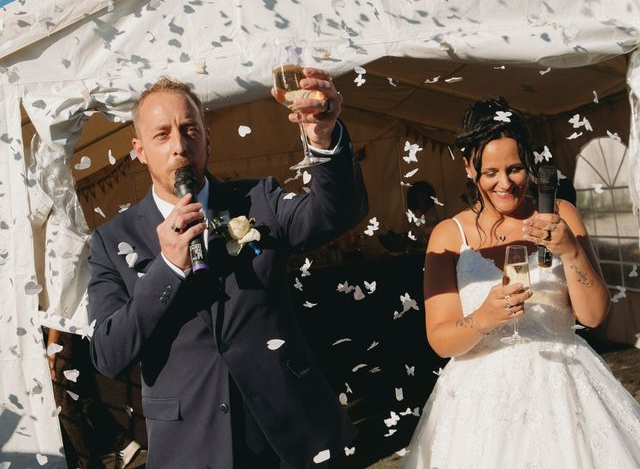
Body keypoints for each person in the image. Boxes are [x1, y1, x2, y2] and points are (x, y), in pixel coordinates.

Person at [87, 71, 368, 468]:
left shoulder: (258, 199)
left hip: (292, 429)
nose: (180, 146)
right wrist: (167, 268)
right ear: (139, 150)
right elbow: (107, 354)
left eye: (189, 130)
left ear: (207, 137)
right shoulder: (111, 240)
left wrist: (323, 138)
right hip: (191, 443)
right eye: (162, 135)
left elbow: (337, 214)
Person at [402, 96, 640, 468]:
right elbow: (441, 339)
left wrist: (571, 252)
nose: (505, 183)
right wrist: (483, 318)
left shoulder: (561, 214)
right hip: (481, 407)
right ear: (468, 167)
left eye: (514, 168)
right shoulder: (448, 236)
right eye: (490, 172)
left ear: (529, 161)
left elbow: (594, 316)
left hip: (564, 390)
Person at [46, 328, 143, 469]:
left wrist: (52, 345)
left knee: (65, 406)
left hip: (60, 335)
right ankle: (122, 443)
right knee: (81, 397)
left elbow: (56, 307)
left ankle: (90, 464)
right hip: (67, 333)